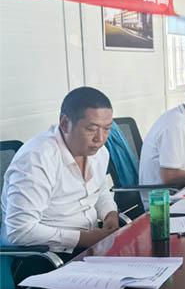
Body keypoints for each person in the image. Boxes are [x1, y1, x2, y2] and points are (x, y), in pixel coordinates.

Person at [2, 87, 118, 270]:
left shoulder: (99, 153)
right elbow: (20, 230)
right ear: (64, 124)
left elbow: (100, 190)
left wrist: (110, 214)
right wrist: (83, 238)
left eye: (107, 129)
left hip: (87, 248)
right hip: (43, 258)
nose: (100, 138)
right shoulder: (37, 158)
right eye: (91, 129)